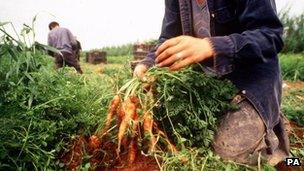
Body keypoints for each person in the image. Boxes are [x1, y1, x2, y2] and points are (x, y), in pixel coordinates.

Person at [134, 0, 289, 166]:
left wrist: (211, 46)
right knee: (171, 134)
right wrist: (148, 63)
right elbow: (168, 37)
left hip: (250, 82)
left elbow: (271, 36)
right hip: (207, 85)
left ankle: (282, 152)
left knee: (226, 157)